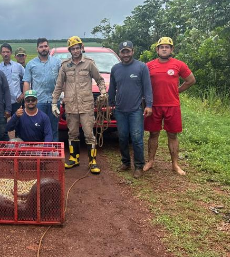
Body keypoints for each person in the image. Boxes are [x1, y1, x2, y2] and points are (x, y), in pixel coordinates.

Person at [52, 36, 106, 174]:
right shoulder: (65, 65)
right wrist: (54, 103)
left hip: (86, 105)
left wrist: (103, 92)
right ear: (69, 50)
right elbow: (58, 85)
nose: (75, 51)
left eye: (77, 48)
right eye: (73, 48)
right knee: (72, 133)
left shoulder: (89, 64)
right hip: (71, 106)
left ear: (82, 48)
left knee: (89, 134)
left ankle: (92, 161)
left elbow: (99, 80)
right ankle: (74, 158)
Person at [144, 37, 196, 175]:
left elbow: (191, 80)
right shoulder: (149, 65)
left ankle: (175, 164)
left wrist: (177, 90)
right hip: (154, 105)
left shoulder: (179, 65)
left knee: (172, 135)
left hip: (172, 105)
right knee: (153, 134)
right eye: (162, 47)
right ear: (157, 50)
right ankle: (150, 161)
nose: (164, 49)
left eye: (167, 47)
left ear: (172, 49)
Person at [108, 41, 153, 178]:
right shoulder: (115, 69)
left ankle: (139, 166)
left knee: (137, 138)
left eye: (128, 51)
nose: (125, 54)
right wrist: (110, 104)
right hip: (120, 110)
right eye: (123, 52)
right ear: (119, 53)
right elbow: (112, 89)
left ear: (133, 51)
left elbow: (147, 88)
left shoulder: (141, 67)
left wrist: (149, 105)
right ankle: (125, 162)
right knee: (122, 137)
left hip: (135, 110)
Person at [23, 38, 61, 141]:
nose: (43, 48)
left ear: (49, 47)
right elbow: (27, 82)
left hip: (54, 101)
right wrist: (27, 100)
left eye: (45, 46)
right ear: (37, 49)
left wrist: (64, 96)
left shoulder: (57, 62)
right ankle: (39, 153)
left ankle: (54, 153)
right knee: (37, 127)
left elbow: (63, 81)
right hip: (38, 101)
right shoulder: (31, 64)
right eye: (41, 47)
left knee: (53, 128)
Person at [0, 43, 25, 114]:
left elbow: (27, 79)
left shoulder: (18, 66)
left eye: (7, 52)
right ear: (0, 53)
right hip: (3, 102)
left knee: (18, 122)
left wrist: (23, 94)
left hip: (16, 101)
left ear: (11, 53)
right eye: (3, 52)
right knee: (5, 123)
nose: (6, 54)